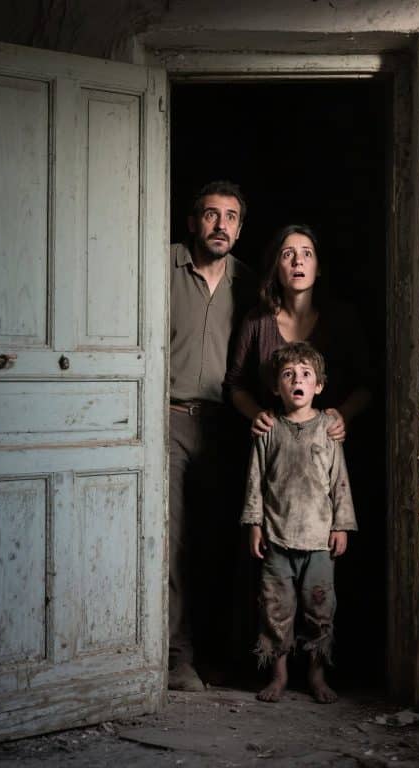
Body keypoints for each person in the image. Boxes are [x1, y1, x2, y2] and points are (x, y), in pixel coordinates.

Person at [168, 180, 257, 691]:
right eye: (210, 214)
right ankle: (178, 658)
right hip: (169, 418)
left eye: (230, 217)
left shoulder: (248, 283)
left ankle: (217, 655)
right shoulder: (162, 265)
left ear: (240, 227)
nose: (220, 225)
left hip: (225, 426)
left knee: (219, 545)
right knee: (172, 544)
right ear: (192, 221)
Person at [240, 341, 357, 704]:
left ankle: (317, 676)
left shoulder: (328, 429)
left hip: (319, 540)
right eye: (288, 375)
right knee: (276, 609)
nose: (297, 380)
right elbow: (255, 481)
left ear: (319, 385)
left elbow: (340, 482)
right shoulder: (269, 429)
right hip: (277, 539)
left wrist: (341, 526)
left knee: (320, 609)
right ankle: (279, 676)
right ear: (277, 386)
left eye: (306, 374)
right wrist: (255, 525)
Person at [225, 224, 371, 440]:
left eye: (307, 253)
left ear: (318, 267)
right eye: (287, 254)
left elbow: (366, 384)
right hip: (274, 445)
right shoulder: (257, 321)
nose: (298, 261)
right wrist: (256, 414)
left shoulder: (341, 319)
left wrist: (343, 415)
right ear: (276, 267)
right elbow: (236, 384)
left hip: (328, 445)